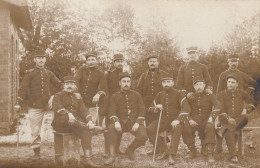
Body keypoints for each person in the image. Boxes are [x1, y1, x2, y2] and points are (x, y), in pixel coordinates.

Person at [14, 50, 63, 160]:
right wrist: (18, 103)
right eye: (38, 58)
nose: (41, 60)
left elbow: (59, 84)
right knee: (35, 130)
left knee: (60, 121)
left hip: (48, 104)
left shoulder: (49, 73)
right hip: (34, 105)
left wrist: (70, 90)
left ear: (45, 60)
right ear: (35, 60)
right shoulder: (29, 73)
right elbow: (22, 89)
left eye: (43, 58)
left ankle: (60, 151)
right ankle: (37, 153)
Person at [146, 74, 194, 165]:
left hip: (176, 119)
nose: (166, 84)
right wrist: (156, 107)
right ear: (162, 84)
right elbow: (150, 108)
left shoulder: (179, 93)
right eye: (164, 82)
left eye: (168, 82)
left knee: (177, 128)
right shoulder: (160, 94)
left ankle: (171, 154)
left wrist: (178, 119)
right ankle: (163, 149)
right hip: (163, 120)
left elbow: (186, 109)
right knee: (149, 129)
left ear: (173, 83)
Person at [51, 76, 99, 167]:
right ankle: (90, 127)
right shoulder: (58, 96)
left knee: (86, 132)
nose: (69, 86)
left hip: (74, 125)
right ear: (64, 86)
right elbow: (57, 107)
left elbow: (84, 111)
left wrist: (90, 121)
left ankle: (87, 159)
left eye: (72, 84)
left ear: (75, 86)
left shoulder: (77, 97)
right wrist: (68, 114)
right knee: (66, 117)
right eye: (67, 84)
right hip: (60, 124)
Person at [104, 72, 148, 165]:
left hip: (134, 122)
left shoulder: (137, 95)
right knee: (111, 129)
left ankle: (130, 150)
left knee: (143, 136)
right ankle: (112, 155)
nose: (126, 83)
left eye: (128, 81)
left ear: (131, 83)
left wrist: (137, 123)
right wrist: (116, 122)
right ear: (119, 83)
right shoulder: (114, 96)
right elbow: (112, 111)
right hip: (121, 122)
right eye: (124, 81)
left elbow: (142, 110)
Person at [216, 74, 255, 163]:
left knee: (245, 117)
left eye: (233, 82)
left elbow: (252, 102)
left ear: (237, 84)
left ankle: (224, 128)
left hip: (240, 119)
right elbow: (219, 108)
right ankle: (233, 155)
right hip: (226, 118)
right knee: (230, 131)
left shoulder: (242, 93)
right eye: (229, 82)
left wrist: (246, 109)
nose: (230, 84)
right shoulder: (221, 94)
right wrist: (228, 118)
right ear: (226, 83)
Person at [136, 52, 167, 155]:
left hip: (161, 105)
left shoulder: (164, 74)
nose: (152, 63)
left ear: (158, 63)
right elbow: (139, 91)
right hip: (148, 106)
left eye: (154, 61)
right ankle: (156, 147)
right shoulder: (143, 76)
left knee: (160, 126)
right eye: (150, 61)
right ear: (148, 63)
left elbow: (167, 89)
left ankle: (163, 147)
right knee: (149, 127)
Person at [186, 76, 221, 163]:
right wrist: (190, 119)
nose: (199, 87)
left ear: (204, 85)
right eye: (197, 85)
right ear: (193, 86)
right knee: (186, 127)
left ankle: (209, 152)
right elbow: (185, 109)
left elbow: (218, 106)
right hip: (194, 120)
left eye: (201, 84)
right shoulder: (190, 96)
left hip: (206, 119)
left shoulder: (210, 95)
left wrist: (211, 117)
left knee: (210, 126)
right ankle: (192, 150)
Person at [102, 53, 125, 156]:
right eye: (117, 61)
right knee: (108, 127)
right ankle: (107, 150)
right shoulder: (108, 75)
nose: (119, 63)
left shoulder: (125, 74)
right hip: (110, 104)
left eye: (121, 61)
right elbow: (105, 90)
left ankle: (117, 148)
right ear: (114, 63)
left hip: (121, 104)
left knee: (119, 126)